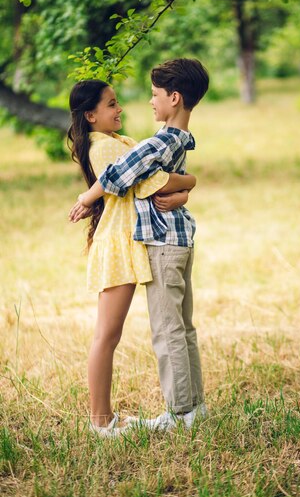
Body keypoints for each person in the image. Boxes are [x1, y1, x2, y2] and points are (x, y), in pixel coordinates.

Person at [69, 58, 209, 431]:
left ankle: (184, 411)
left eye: (153, 95)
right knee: (112, 334)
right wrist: (187, 184)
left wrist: (185, 184)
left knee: (170, 329)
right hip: (120, 244)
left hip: (148, 241)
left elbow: (161, 177)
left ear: (174, 98)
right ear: (90, 116)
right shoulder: (106, 148)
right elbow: (154, 181)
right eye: (111, 104)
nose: (124, 108)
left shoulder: (132, 141)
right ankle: (102, 421)